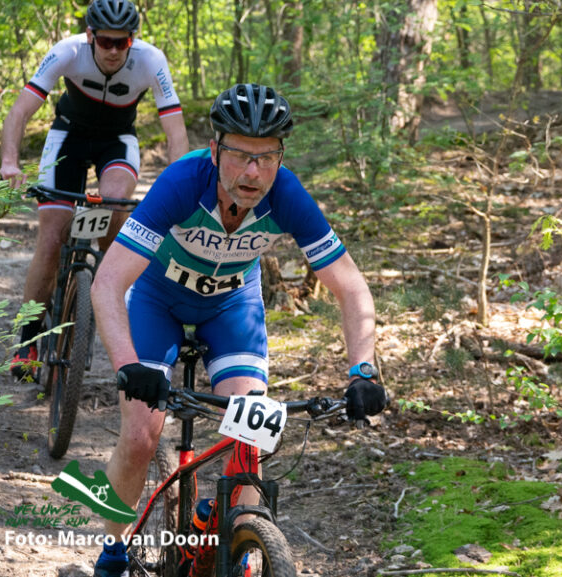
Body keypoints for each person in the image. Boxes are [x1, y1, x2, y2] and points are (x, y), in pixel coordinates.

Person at [89, 83, 387, 577]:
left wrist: (363, 370)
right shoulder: (183, 184)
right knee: (143, 434)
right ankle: (113, 549)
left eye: (266, 158)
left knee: (248, 433)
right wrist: (128, 367)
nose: (253, 173)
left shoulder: (287, 194)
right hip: (158, 300)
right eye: (240, 157)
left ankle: (242, 537)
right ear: (215, 151)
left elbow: (351, 288)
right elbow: (108, 283)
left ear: (280, 158)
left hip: (231, 307)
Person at [2, 0, 189, 379]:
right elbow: (20, 111)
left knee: (115, 209)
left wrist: (181, 183)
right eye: (105, 42)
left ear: (133, 39)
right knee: (52, 238)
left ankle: (113, 304)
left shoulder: (151, 60)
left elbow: (176, 132)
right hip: (68, 137)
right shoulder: (67, 51)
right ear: (90, 36)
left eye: (123, 43)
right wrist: (9, 161)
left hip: (117, 142)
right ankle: (28, 340)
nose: (113, 51)